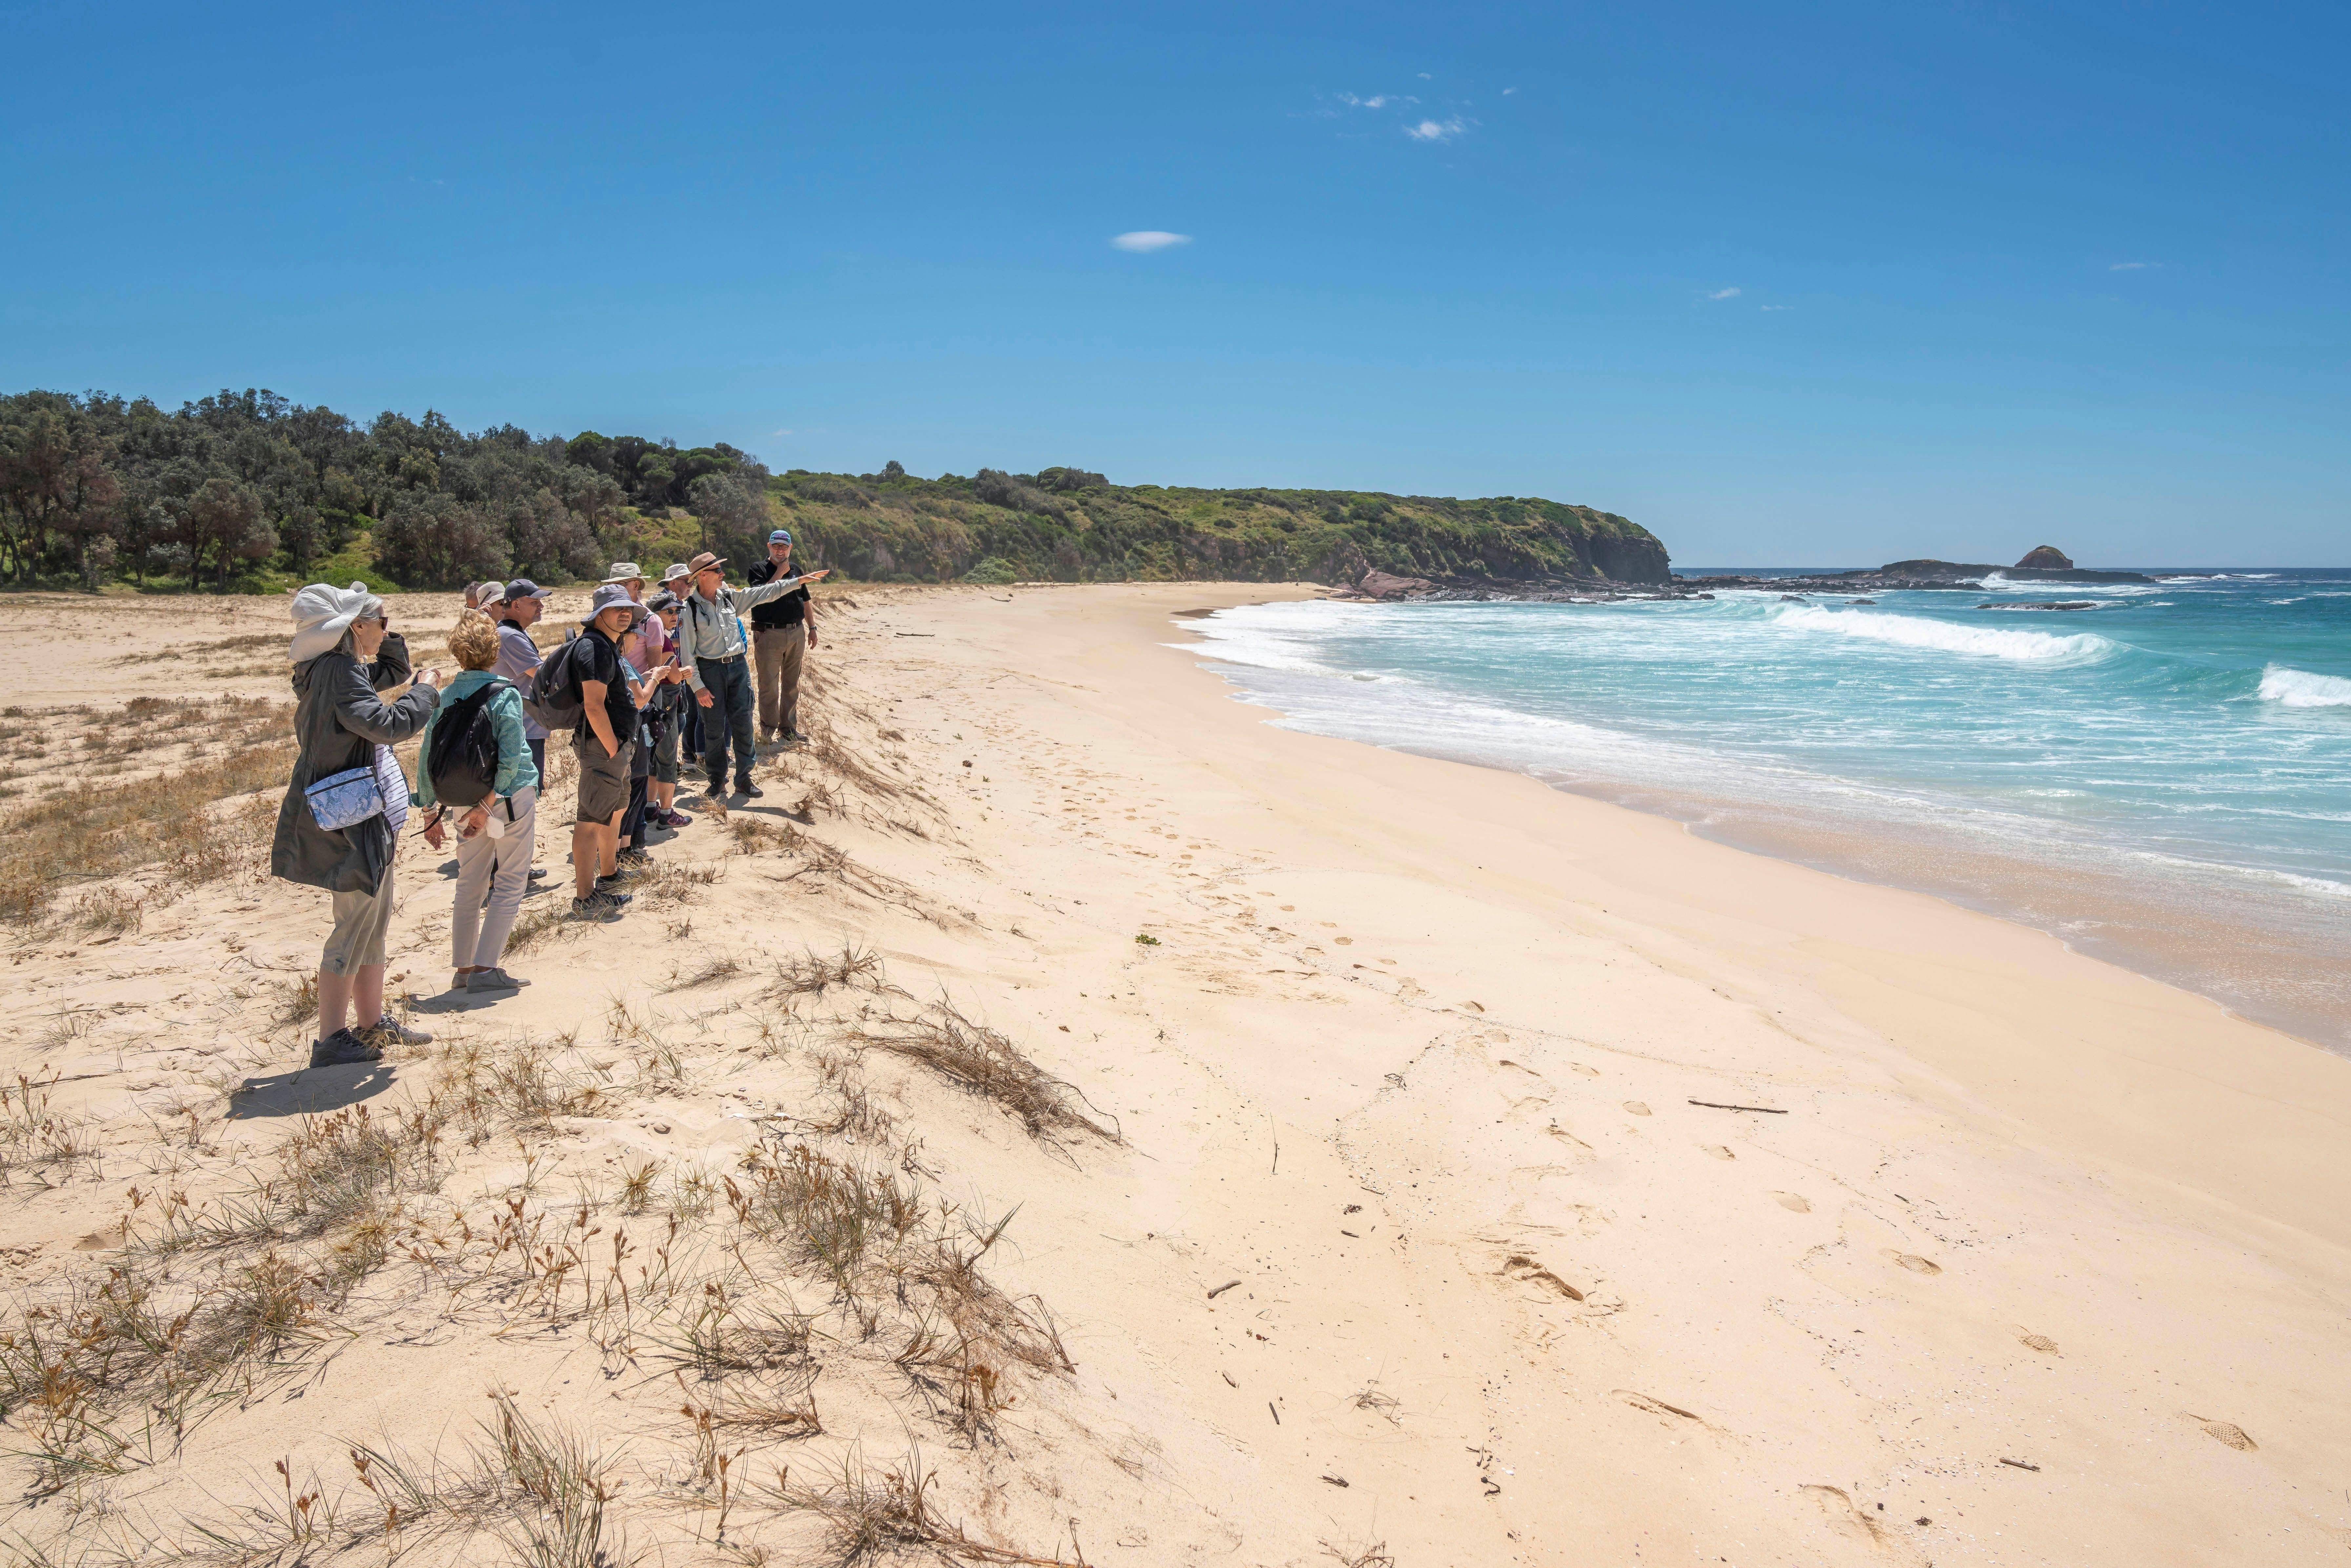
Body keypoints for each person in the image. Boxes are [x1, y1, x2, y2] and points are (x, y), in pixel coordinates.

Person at [271, 583, 443, 1067]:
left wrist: (384, 631)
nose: (386, 629)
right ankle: (331, 1038)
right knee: (353, 926)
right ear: (355, 627)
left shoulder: (334, 668)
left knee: (372, 925)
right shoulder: (339, 671)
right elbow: (388, 725)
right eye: (379, 621)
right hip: (353, 819)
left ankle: (369, 1024)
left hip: (363, 813)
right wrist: (426, 690)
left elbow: (388, 671)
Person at [413, 610, 539, 993]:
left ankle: (465, 969)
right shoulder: (505, 693)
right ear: (494, 651)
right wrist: (488, 807)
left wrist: (429, 810)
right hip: (506, 798)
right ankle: (487, 970)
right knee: (511, 880)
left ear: (457, 654)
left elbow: (426, 755)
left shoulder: (446, 696)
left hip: (461, 800)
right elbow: (511, 757)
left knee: (470, 883)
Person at [672, 550, 829, 799]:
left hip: (738, 668)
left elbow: (765, 592)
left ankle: (744, 778)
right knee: (714, 729)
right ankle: (716, 780)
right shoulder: (689, 610)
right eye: (717, 570)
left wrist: (798, 581)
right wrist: (698, 686)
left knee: (743, 724)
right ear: (702, 576)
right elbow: (688, 656)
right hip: (710, 670)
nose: (722, 573)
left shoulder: (729, 598)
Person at [566, 584, 643, 919]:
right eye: (616, 609)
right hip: (603, 749)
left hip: (616, 747)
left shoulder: (606, 645)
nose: (625, 614)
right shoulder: (594, 649)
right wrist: (614, 749)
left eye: (627, 609)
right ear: (599, 614)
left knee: (614, 812)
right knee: (589, 821)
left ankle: (609, 875)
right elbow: (594, 706)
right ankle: (585, 897)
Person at [746, 528, 821, 744]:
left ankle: (789, 729)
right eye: (776, 546)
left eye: (784, 547)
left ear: (790, 549)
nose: (780, 550)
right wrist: (781, 572)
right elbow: (760, 595)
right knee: (769, 684)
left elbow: (805, 601)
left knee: (791, 684)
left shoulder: (797, 569)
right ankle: (768, 731)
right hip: (768, 633)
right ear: (769, 547)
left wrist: (813, 628)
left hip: (796, 632)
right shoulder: (758, 569)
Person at [492, 580, 553, 781]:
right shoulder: (510, 637)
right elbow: (542, 674)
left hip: (521, 727)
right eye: (535, 602)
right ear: (516, 605)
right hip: (522, 731)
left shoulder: (513, 633)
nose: (541, 606)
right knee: (523, 797)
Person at [643, 593, 692, 829]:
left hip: (655, 700)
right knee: (667, 756)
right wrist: (686, 672)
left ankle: (650, 807)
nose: (675, 616)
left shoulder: (650, 634)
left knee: (653, 756)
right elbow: (672, 675)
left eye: (677, 612)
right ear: (656, 614)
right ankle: (666, 812)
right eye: (669, 612)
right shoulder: (661, 639)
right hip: (667, 702)